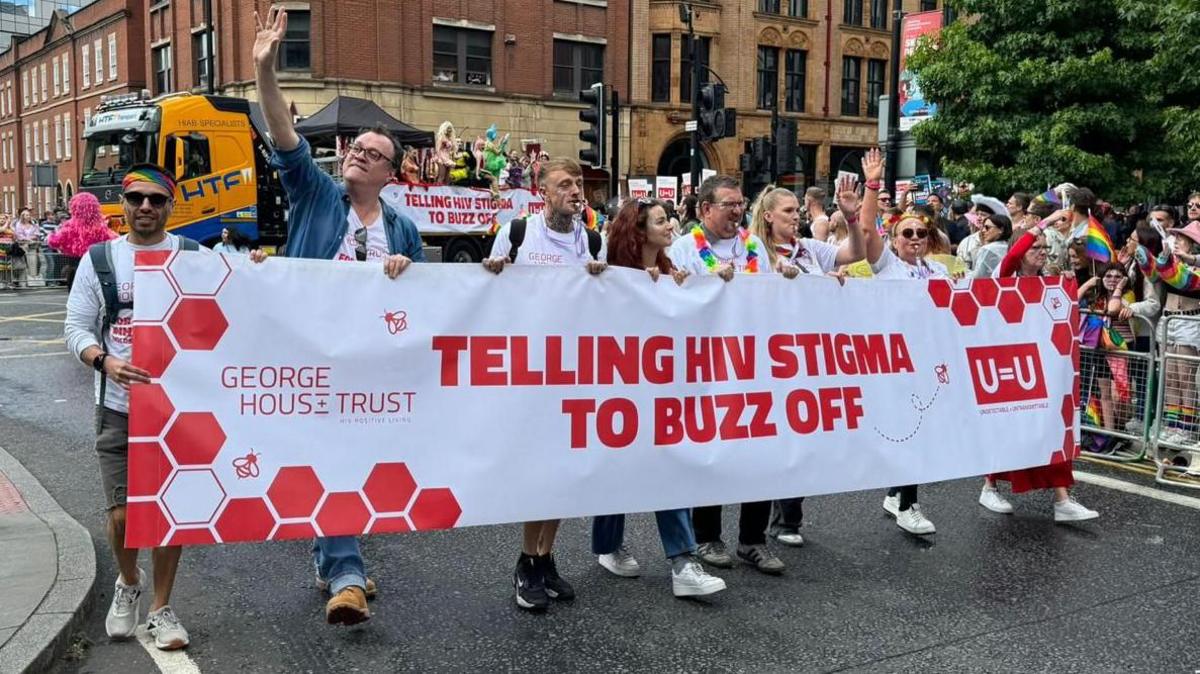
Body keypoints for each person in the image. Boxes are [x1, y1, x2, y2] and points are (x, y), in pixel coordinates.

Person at [253, 6, 423, 626]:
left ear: (389, 171)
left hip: (370, 365)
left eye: (371, 152)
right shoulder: (317, 194)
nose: (356, 153)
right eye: (354, 147)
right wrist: (263, 70)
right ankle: (347, 574)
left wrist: (409, 271)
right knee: (332, 459)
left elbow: (426, 300)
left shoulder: (402, 225)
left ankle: (333, 562)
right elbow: (283, 135)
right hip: (309, 355)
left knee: (348, 463)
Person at [63, 164, 199, 650]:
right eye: (137, 198)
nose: (146, 207)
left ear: (170, 205)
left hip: (177, 410)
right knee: (122, 515)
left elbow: (238, 302)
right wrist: (105, 361)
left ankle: (162, 608)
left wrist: (260, 267)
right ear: (123, 204)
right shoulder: (100, 259)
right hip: (118, 406)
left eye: (156, 200)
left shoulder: (192, 255)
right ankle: (128, 581)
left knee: (171, 511)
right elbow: (76, 328)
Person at [588, 197, 727, 598]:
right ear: (639, 230)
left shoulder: (673, 271)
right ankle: (608, 545)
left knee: (669, 465)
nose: (670, 227)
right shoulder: (612, 274)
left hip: (663, 389)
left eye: (669, 220)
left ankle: (683, 560)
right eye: (662, 221)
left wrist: (695, 289)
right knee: (617, 467)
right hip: (618, 389)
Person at [484, 157, 606, 611]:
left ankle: (546, 557)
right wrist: (493, 273)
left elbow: (607, 305)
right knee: (535, 471)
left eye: (578, 184)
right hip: (529, 373)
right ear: (543, 193)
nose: (575, 191)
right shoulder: (517, 234)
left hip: (573, 373)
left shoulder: (592, 240)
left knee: (560, 472)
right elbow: (491, 298)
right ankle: (526, 562)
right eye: (564, 185)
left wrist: (601, 278)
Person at [664, 175, 786, 572]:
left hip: (750, 362)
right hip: (703, 366)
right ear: (704, 210)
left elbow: (767, 298)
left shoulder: (755, 247)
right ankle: (706, 537)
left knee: (759, 449)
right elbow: (672, 302)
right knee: (710, 450)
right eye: (728, 204)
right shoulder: (683, 249)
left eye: (740, 203)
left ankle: (753, 540)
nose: (737, 211)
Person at [748, 169, 871, 545]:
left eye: (797, 210)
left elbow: (856, 253)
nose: (796, 215)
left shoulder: (809, 248)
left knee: (803, 437)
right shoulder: (751, 249)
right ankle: (765, 523)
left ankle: (788, 518)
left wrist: (850, 216)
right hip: (767, 357)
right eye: (787, 211)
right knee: (771, 441)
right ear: (768, 216)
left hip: (809, 356)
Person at [979, 215, 1100, 521]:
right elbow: (1013, 255)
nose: (1042, 251)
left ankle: (1062, 500)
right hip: (1008, 364)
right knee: (1007, 428)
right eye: (1036, 246)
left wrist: (1071, 287)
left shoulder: (1050, 280)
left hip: (1042, 366)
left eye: (1046, 247)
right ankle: (989, 487)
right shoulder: (1006, 273)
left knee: (1051, 428)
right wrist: (1045, 222)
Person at [858, 154, 942, 535]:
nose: (914, 239)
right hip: (892, 362)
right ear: (893, 240)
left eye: (920, 234)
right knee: (908, 430)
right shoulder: (887, 266)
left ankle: (898, 494)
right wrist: (873, 185)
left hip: (928, 360)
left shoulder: (940, 270)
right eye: (906, 234)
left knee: (921, 431)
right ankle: (908, 504)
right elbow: (864, 232)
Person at [48, 192, 117, 290]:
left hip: (75, 266)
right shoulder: (101, 226)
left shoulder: (69, 226)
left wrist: (53, 235)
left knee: (76, 297)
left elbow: (54, 241)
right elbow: (115, 241)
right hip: (96, 266)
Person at [970, 212, 1013, 278]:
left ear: (1001, 230)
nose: (983, 230)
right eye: (983, 227)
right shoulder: (1011, 247)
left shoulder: (987, 249)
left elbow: (978, 276)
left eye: (987, 227)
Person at [13, 208, 40, 286]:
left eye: (29, 215)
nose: (28, 216)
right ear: (23, 216)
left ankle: (32, 280)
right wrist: (28, 239)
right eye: (26, 215)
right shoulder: (19, 224)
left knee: (33, 263)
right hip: (22, 247)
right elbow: (18, 235)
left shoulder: (34, 224)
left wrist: (31, 238)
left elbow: (37, 233)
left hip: (32, 246)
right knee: (22, 265)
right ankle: (22, 282)